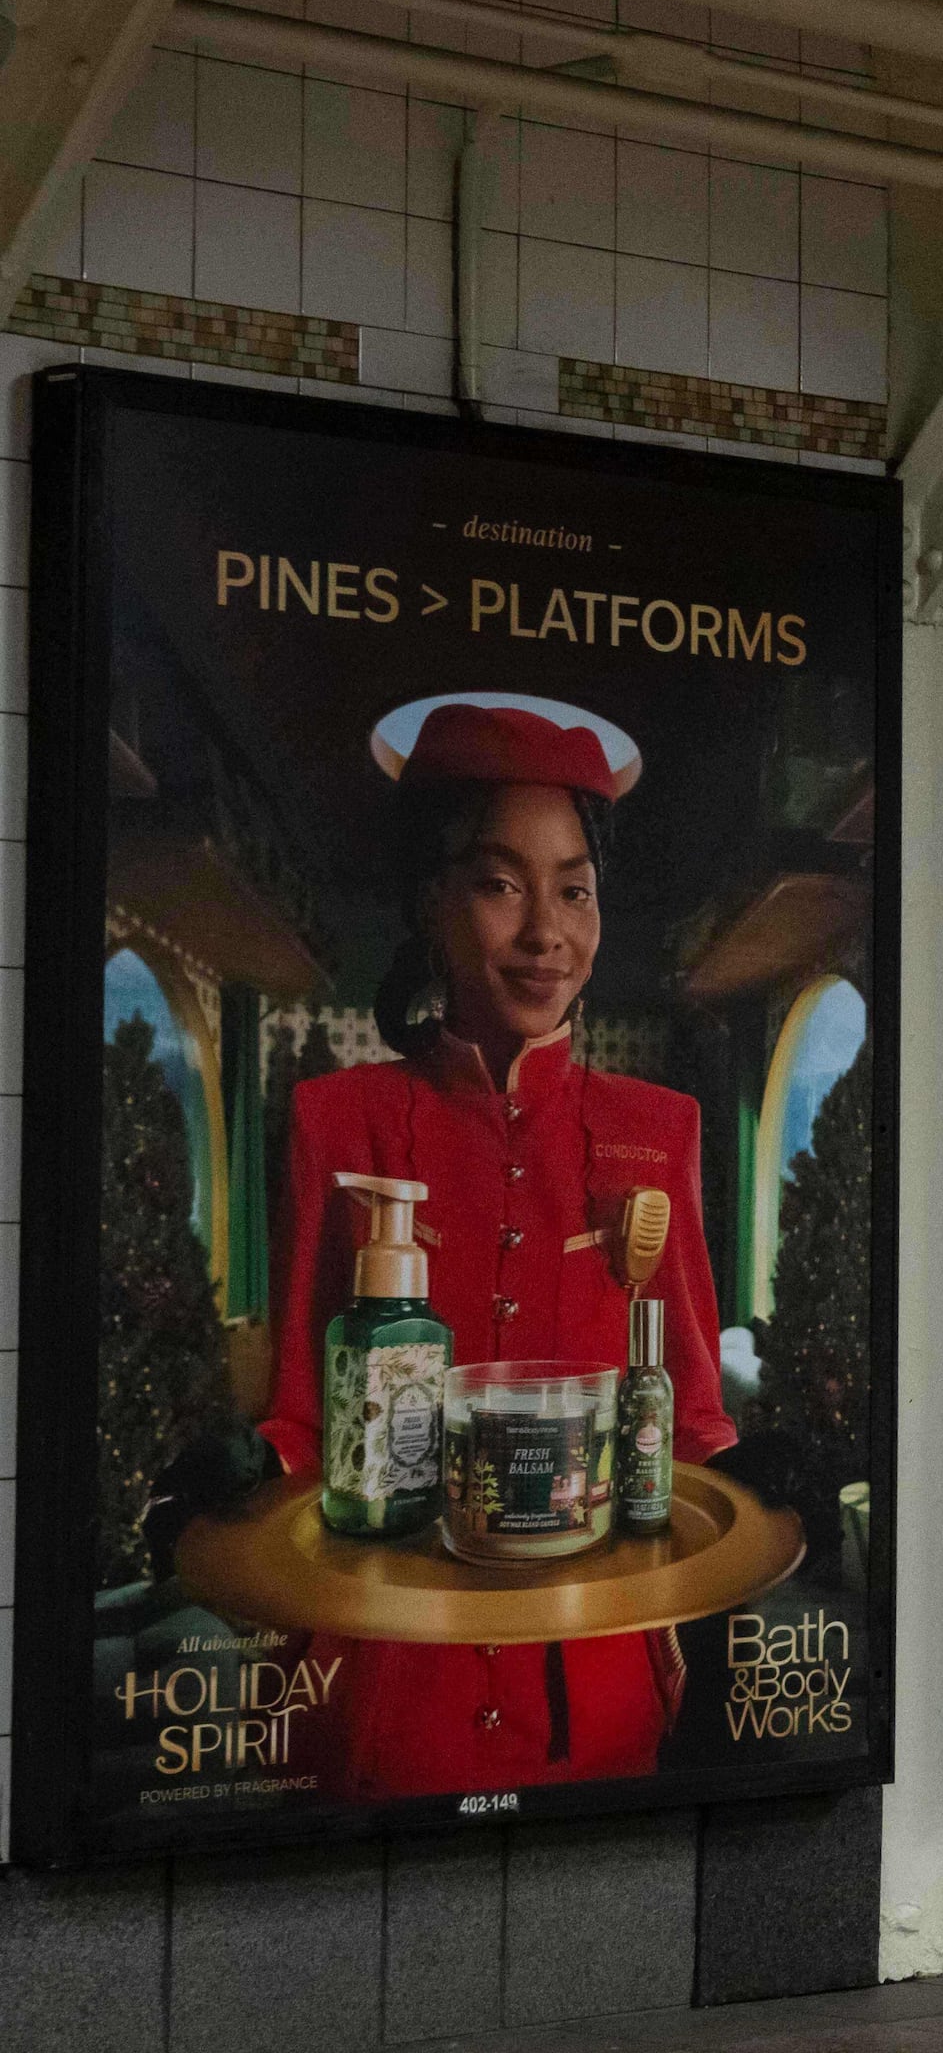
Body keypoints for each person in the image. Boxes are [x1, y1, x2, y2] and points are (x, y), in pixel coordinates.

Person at [258, 695, 744, 1798]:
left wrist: (755, 1484)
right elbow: (297, 1412)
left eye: (574, 888)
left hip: (598, 1675)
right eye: (499, 883)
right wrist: (250, 1478)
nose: (546, 933)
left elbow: (697, 1415)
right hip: (381, 1682)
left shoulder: (660, 1131)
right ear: (432, 901)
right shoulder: (337, 1122)